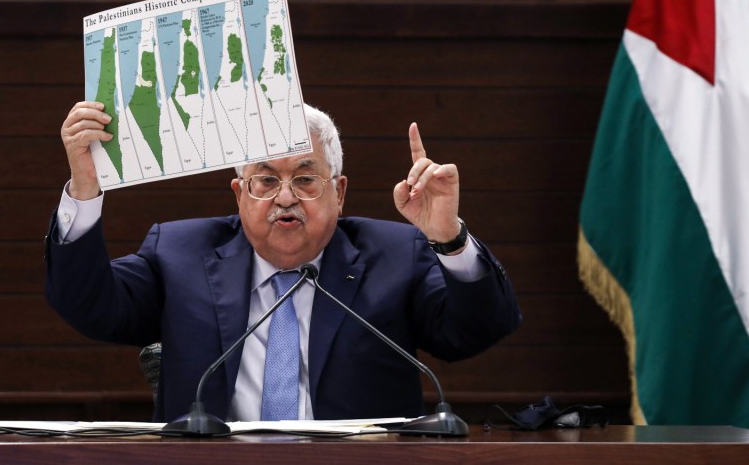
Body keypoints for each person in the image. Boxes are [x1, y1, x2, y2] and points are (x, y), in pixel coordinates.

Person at [45, 101, 521, 423]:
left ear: (339, 192)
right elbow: (89, 304)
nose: (286, 197)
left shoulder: (396, 255)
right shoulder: (178, 253)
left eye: (307, 179)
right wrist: (84, 190)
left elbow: (477, 331)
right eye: (265, 180)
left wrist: (447, 238)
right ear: (240, 193)